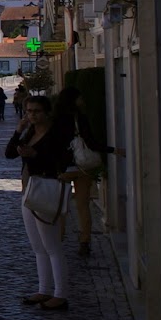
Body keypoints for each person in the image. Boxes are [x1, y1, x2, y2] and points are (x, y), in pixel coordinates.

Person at [5, 93, 72, 311]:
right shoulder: (29, 132)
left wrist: (35, 154)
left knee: (52, 244)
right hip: (29, 190)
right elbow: (9, 154)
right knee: (37, 246)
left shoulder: (56, 133)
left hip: (48, 188)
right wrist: (18, 131)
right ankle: (44, 289)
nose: (32, 115)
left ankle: (60, 294)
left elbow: (61, 161)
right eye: (29, 111)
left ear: (46, 112)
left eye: (36, 111)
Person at [54, 86, 111, 257]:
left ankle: (58, 240)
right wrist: (113, 150)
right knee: (82, 206)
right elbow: (91, 143)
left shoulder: (55, 120)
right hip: (82, 167)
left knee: (60, 207)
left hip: (63, 168)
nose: (83, 101)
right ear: (74, 100)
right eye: (80, 98)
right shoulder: (80, 118)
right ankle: (84, 241)